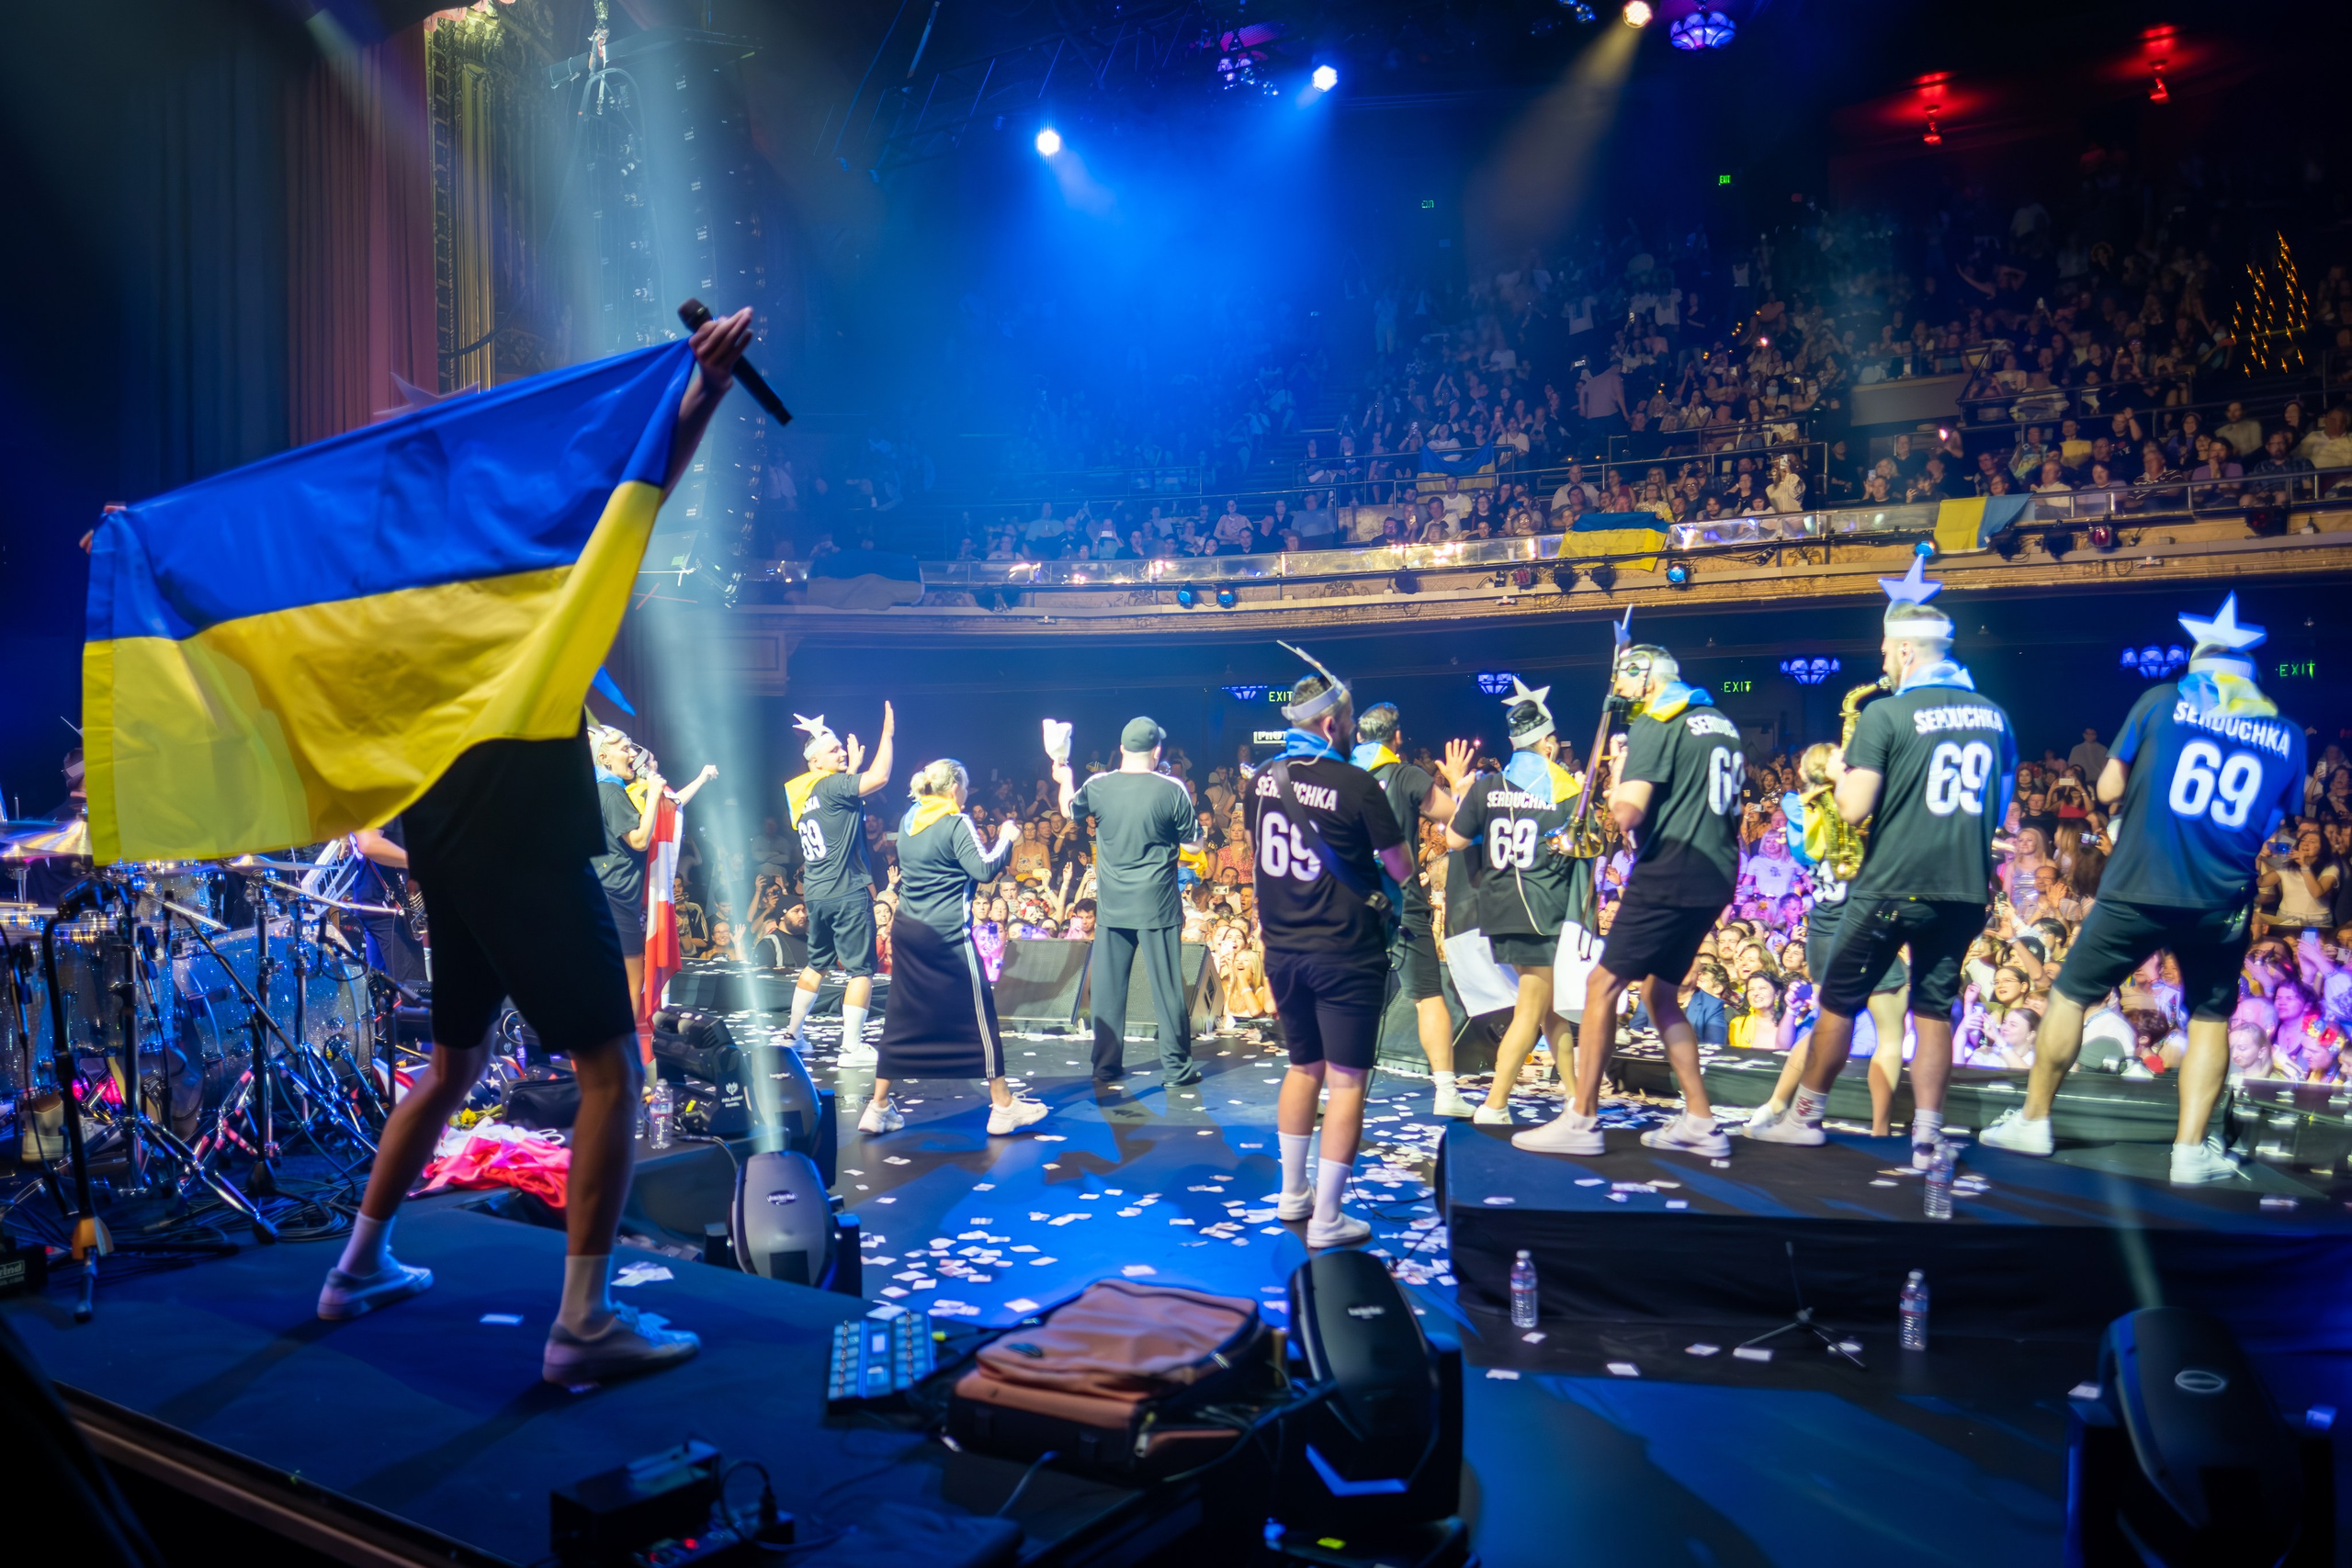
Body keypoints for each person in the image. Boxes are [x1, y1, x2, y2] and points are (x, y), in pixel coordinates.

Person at [317, 304, 754, 1384]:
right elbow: (633, 506)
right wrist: (698, 393)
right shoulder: (520, 580)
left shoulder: (397, 591)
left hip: (449, 842)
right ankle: (583, 1325)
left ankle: (356, 1267)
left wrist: (153, 551)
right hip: (520, 838)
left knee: (455, 1058)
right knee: (615, 1072)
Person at [1984, 596, 2305, 1182]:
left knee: (2071, 996)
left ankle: (2033, 1123)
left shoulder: (2162, 700)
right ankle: (2190, 1152)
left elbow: (2108, 786)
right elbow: (2278, 822)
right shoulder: (2286, 733)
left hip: (2138, 886)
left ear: (2198, 663)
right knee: (2210, 1018)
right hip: (2221, 901)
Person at [1754, 558, 2017, 1164]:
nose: (1880, 664)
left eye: (1883, 652)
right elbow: (1998, 809)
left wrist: (1843, 771)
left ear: (1904, 650)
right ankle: (1927, 1132)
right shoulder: (1995, 717)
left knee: (1838, 1001)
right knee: (1933, 1011)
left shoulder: (1886, 713)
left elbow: (1852, 810)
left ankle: (1807, 1115)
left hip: (1893, 886)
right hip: (1964, 890)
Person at [1516, 639, 1741, 1158]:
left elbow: (1628, 813)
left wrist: (1619, 773)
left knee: (1601, 985)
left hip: (1671, 870)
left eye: (1622, 678)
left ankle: (1581, 1120)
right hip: (1714, 873)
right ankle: (1702, 1123)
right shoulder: (1718, 721)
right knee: (1660, 995)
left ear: (1646, 677)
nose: (1617, 690)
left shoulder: (1657, 721)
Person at [1250, 654, 1416, 1247]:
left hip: (1283, 949)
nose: (1349, 729)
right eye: (1345, 720)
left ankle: (1292, 1193)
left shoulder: (1263, 778)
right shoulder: (1356, 783)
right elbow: (1402, 865)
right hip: (1344, 952)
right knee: (1346, 1081)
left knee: (1302, 1066)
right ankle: (1326, 1216)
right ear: (1330, 724)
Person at [861, 760, 1048, 1137]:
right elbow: (983, 870)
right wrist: (1008, 839)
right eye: (966, 787)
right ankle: (1003, 1106)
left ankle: (878, 1107)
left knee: (902, 1016)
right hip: (946, 935)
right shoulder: (955, 821)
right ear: (955, 788)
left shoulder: (912, 816)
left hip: (909, 932)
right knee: (981, 1014)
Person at [1746, 741, 1914, 1138]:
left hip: (1823, 927)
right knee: (1890, 1035)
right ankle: (1879, 1130)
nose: (1853, 760)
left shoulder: (1797, 810)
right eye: (1843, 756)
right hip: (1864, 926)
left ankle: (1775, 1105)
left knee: (1828, 1026)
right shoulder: (1855, 808)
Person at [1445, 681, 1580, 1128]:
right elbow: (1589, 845)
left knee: (1549, 1008)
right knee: (1531, 1008)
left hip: (1498, 909)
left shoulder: (1488, 786)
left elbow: (1454, 839)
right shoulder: (1562, 789)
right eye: (1555, 742)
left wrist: (1463, 795)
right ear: (1545, 742)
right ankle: (1495, 1104)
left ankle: (1576, 1098)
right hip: (1540, 911)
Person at [1053, 717, 1202, 1084]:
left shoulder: (1098, 785)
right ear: (1157, 751)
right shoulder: (1172, 788)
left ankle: (1106, 1066)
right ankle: (1177, 1070)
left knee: (1108, 989)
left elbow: (1068, 811)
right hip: (1158, 905)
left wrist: (1064, 778)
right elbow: (1194, 845)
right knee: (1167, 987)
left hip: (1114, 904)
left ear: (1121, 749)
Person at [1352, 703, 1474, 1117]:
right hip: (1402, 907)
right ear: (1397, 737)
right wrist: (1457, 784)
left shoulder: (1340, 778)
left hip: (1350, 907)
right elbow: (1454, 817)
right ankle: (1445, 1093)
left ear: (1358, 738)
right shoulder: (1406, 775)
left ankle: (1331, 1094)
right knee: (1426, 997)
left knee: (1346, 999)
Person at [782, 705, 896, 1066]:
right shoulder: (833, 785)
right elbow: (879, 778)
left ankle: (793, 1034)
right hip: (845, 891)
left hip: (816, 892)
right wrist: (888, 735)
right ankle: (851, 1048)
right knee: (861, 970)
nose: (842, 753)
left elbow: (838, 813)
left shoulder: (804, 794)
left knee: (817, 963)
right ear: (815, 761)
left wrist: (850, 771)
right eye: (834, 751)